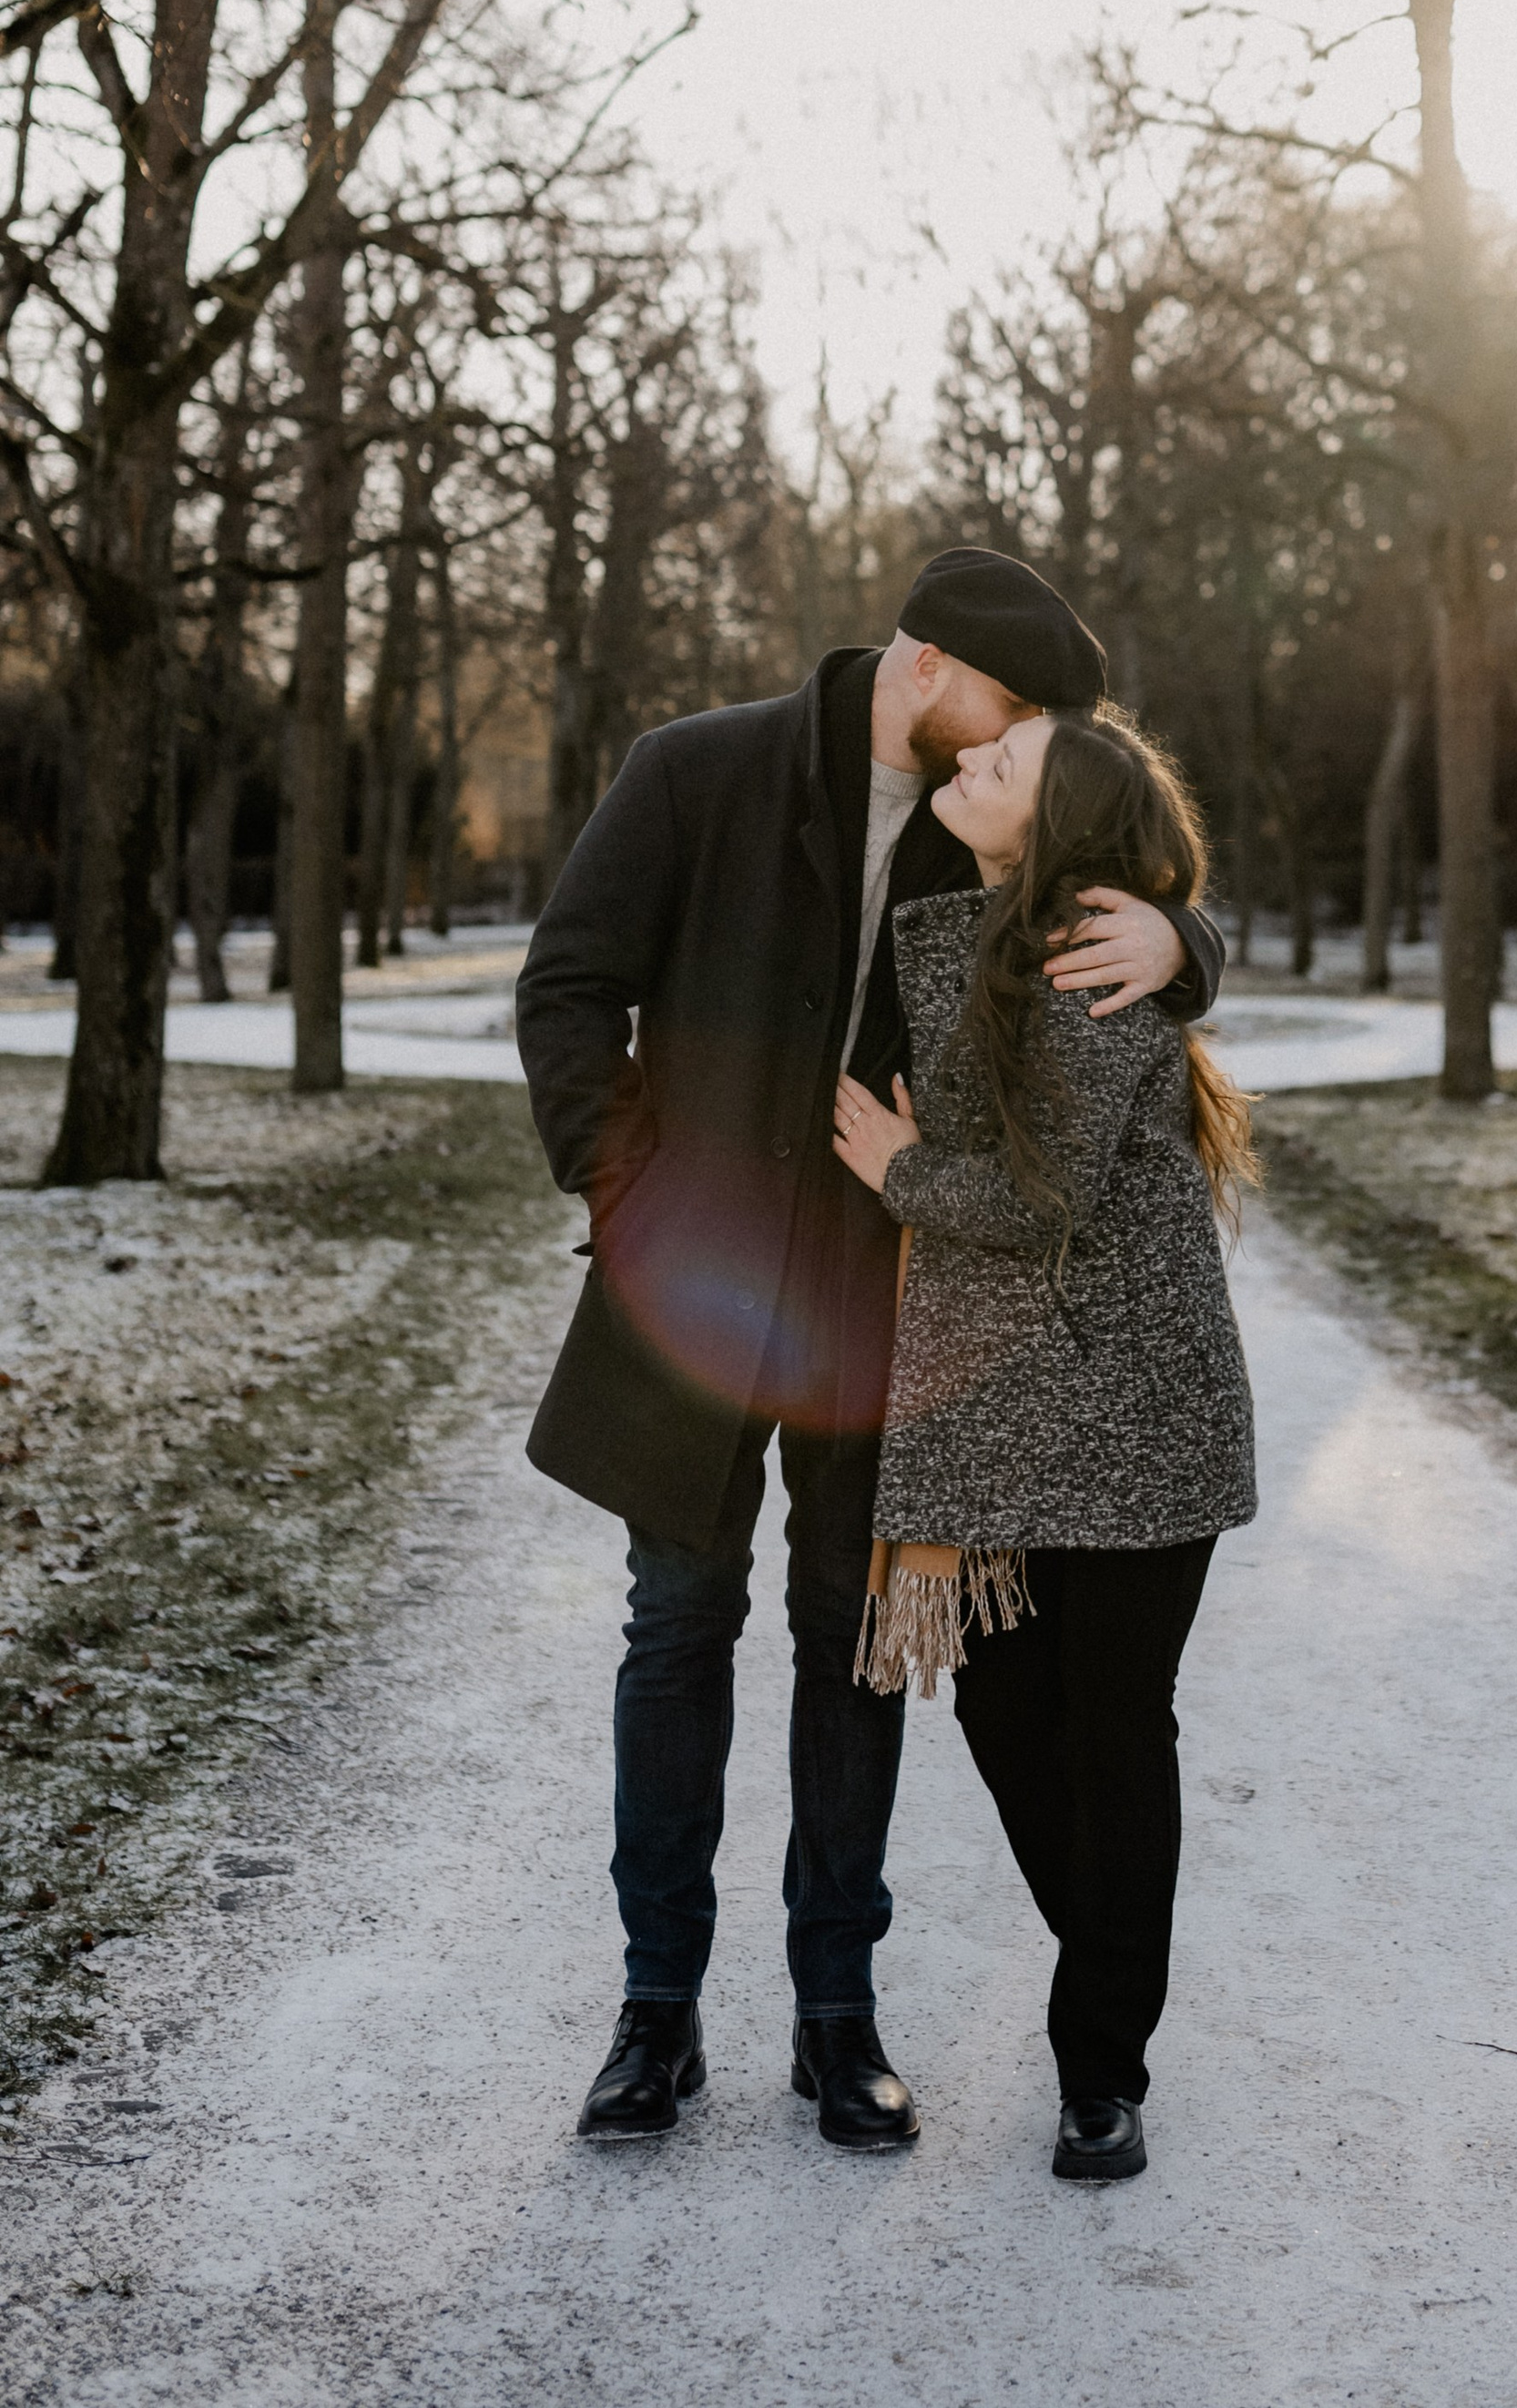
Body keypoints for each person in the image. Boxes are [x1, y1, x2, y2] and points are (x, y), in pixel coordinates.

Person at [514, 550, 1224, 2148]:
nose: (1021, 745)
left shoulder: (986, 820)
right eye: (1014, 707)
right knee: (676, 1626)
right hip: (692, 1296)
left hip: (884, 1294)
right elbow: (568, 986)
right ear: (930, 668)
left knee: (853, 1641)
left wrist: (1188, 942)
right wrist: (628, 1193)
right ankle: (655, 2012)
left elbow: (1124, 869)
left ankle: (837, 2015)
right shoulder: (695, 772)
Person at [831, 704, 1258, 2184]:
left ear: (1056, 827)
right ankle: (1117, 1958)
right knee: (1007, 1710)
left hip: (1140, 1408)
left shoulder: (1087, 958)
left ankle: (1101, 2075)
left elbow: (1037, 1199)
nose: (969, 764)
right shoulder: (993, 921)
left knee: (1115, 1723)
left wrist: (900, 1170)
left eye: (1000, 766)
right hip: (1016, 1408)